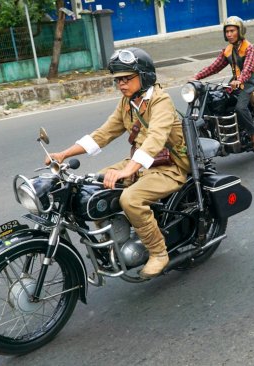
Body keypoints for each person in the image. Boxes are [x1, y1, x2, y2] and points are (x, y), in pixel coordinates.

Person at [46, 47, 190, 279]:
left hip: (170, 166)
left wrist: (128, 170)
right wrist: (63, 153)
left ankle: (158, 252)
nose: (121, 84)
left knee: (130, 199)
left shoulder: (160, 101)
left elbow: (155, 139)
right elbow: (103, 134)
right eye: (118, 80)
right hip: (141, 163)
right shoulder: (127, 103)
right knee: (92, 188)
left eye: (126, 78)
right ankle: (112, 240)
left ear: (144, 76)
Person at [192, 16, 254, 148]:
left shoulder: (249, 48)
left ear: (240, 31)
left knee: (240, 108)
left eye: (232, 31)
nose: (229, 34)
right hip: (234, 83)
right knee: (214, 99)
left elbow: (247, 69)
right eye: (227, 31)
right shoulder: (228, 50)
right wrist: (197, 76)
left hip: (249, 85)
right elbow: (215, 67)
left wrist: (240, 79)